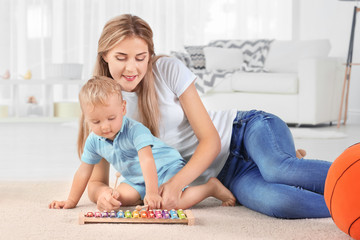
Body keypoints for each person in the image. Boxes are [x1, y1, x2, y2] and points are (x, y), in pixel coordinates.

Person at [79, 14, 332, 218]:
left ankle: (292, 161)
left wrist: (177, 184)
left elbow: (211, 140)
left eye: (140, 58)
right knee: (281, 203)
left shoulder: (167, 70)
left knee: (279, 170)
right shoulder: (101, 106)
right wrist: (102, 194)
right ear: (105, 56)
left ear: (150, 56)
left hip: (243, 131)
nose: (131, 67)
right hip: (226, 174)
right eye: (121, 58)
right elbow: (96, 181)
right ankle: (347, 203)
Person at [49, 76, 235, 210]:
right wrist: (71, 201)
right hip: (135, 178)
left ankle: (210, 187)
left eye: (111, 118)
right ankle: (144, 196)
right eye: (96, 122)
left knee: (170, 204)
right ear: (86, 119)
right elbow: (84, 171)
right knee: (119, 199)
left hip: (165, 169)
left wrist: (153, 192)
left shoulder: (135, 130)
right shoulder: (93, 140)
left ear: (123, 108)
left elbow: (147, 161)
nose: (105, 127)